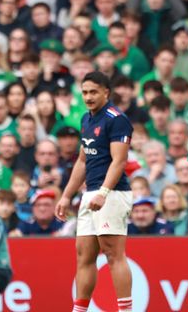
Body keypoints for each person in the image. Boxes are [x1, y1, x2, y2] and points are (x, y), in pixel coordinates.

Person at [54, 71, 134, 312]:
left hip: (112, 193)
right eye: (85, 92)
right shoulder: (86, 119)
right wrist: (67, 195)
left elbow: (119, 161)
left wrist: (104, 192)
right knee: (84, 255)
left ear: (106, 92)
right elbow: (82, 161)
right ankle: (79, 309)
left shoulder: (116, 119)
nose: (88, 97)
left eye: (93, 92)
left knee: (113, 253)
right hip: (90, 194)